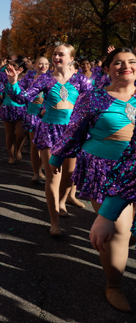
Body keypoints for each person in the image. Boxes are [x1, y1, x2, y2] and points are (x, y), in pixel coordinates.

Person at [52, 47, 136, 312]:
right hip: (104, 171)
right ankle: (114, 285)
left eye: (132, 62)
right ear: (107, 69)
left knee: (129, 232)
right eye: (118, 63)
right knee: (118, 230)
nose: (126, 67)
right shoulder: (93, 97)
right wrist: (57, 158)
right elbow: (74, 130)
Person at [6, 44, 93, 236]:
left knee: (69, 176)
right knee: (53, 177)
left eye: (61, 54)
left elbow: (90, 106)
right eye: (54, 54)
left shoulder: (81, 80)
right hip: (50, 131)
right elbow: (23, 98)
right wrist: (13, 83)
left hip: (72, 133)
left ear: (71, 58)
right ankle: (54, 222)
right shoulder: (44, 79)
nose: (56, 57)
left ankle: (61, 202)